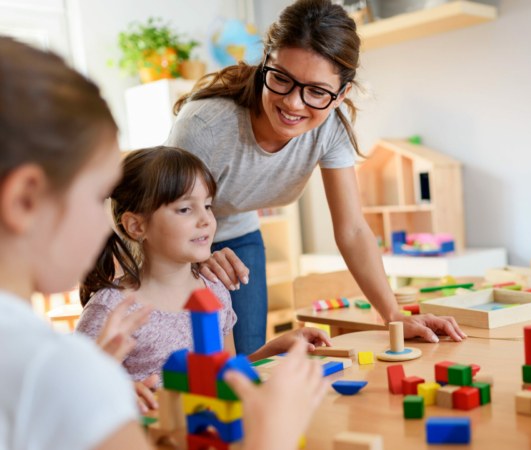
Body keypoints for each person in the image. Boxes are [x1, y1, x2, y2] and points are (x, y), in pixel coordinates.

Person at [0, 36, 326, 450]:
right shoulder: (58, 370)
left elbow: (220, 370)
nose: (105, 224)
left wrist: (266, 353)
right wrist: (273, 436)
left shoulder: (209, 293)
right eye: (96, 195)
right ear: (25, 200)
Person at [167, 0, 466, 355]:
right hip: (169, 237)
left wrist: (393, 315)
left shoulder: (329, 130)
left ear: (341, 96)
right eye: (281, 78)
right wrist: (197, 258)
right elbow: (160, 211)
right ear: (265, 61)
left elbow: (353, 229)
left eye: (317, 91)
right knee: (179, 362)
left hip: (236, 237)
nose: (294, 103)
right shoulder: (205, 126)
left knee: (246, 365)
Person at [76, 146, 333, 413]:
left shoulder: (215, 290)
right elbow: (74, 399)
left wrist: (275, 348)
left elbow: (225, 374)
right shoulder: (111, 310)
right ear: (136, 226)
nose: (206, 220)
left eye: (208, 206)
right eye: (185, 209)